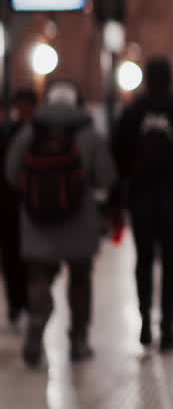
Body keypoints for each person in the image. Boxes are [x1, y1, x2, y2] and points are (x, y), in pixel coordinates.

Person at [6, 80, 116, 367]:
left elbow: (10, 172)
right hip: (79, 221)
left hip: (37, 221)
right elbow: (106, 176)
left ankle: (38, 321)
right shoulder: (89, 134)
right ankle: (78, 341)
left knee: (40, 278)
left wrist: (34, 194)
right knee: (80, 281)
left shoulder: (30, 132)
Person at [113, 57, 173, 351]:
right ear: (170, 79)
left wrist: (119, 201)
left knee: (143, 261)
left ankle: (144, 323)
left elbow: (119, 159)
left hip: (141, 199)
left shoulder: (132, 111)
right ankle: (167, 329)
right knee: (171, 264)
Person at [0, 88, 38, 328]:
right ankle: (17, 303)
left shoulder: (38, 132)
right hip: (10, 205)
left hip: (32, 205)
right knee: (12, 256)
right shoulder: (9, 132)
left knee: (31, 258)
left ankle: (28, 302)